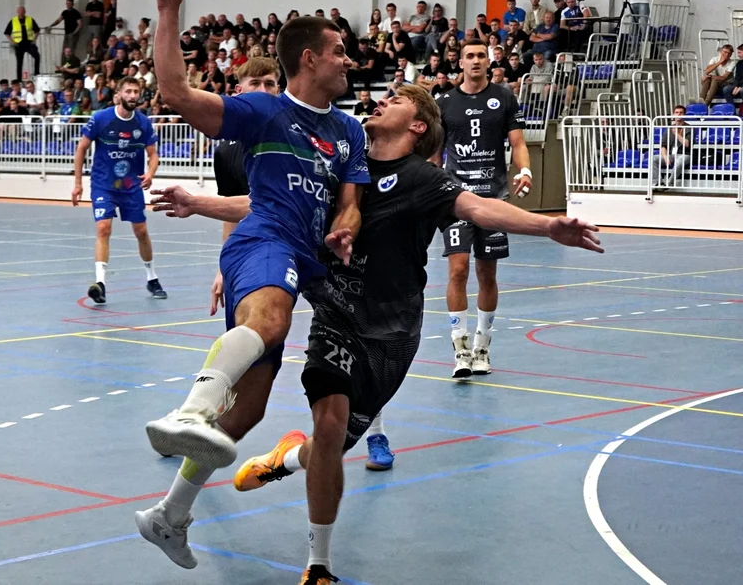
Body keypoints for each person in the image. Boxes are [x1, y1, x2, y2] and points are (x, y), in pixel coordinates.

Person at [162, 84, 601, 585]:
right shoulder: (340, 164)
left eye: (397, 100)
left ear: (417, 126)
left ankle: (286, 458)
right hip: (334, 317)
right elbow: (268, 203)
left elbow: (479, 208)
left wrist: (548, 227)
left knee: (327, 448)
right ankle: (319, 565)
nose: (383, 100)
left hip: (391, 334)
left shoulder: (423, 179)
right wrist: (197, 202)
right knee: (329, 428)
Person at [136, 0, 369, 570]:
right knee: (270, 319)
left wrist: (345, 227)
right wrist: (168, 8)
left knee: (247, 412)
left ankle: (168, 516)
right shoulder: (266, 112)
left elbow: (350, 203)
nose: (349, 60)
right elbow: (176, 92)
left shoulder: (348, 131)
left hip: (303, 257)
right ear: (309, 59)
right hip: (263, 241)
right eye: (339, 51)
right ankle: (191, 409)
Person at [207, 57, 396, 473]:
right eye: (256, 83)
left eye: (270, 82)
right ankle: (204, 419)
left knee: (359, 343)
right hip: (277, 249)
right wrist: (225, 267)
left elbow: (344, 199)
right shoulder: (231, 149)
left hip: (331, 252)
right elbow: (245, 209)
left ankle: (375, 433)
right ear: (238, 90)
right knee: (256, 343)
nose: (265, 90)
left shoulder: (320, 131)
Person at [437, 41, 531, 378]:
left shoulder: (504, 97)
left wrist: (524, 170)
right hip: (456, 199)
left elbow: (518, 143)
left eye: (481, 55)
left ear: (488, 61)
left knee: (487, 274)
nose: (476, 60)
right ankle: (460, 349)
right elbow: (434, 153)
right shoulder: (444, 102)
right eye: (470, 56)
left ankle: (482, 348)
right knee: (458, 270)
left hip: (493, 199)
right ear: (460, 62)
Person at [68, 76, 164, 304]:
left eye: (136, 92)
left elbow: (153, 155)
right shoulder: (100, 119)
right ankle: (100, 283)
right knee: (103, 228)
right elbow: (81, 149)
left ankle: (152, 278)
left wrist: (150, 173)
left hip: (130, 186)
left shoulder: (143, 123)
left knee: (141, 231)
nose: (132, 95)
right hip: (104, 185)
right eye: (128, 91)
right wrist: (78, 183)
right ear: (118, 94)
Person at [5, 6, 41, 80]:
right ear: (17, 12)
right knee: (19, 62)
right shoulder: (13, 21)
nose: (21, 12)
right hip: (19, 44)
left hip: (29, 43)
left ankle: (36, 73)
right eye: (20, 11)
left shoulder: (30, 19)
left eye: (23, 11)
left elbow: (37, 31)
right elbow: (7, 33)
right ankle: (19, 79)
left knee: (37, 56)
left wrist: (34, 40)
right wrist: (13, 42)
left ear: (25, 12)